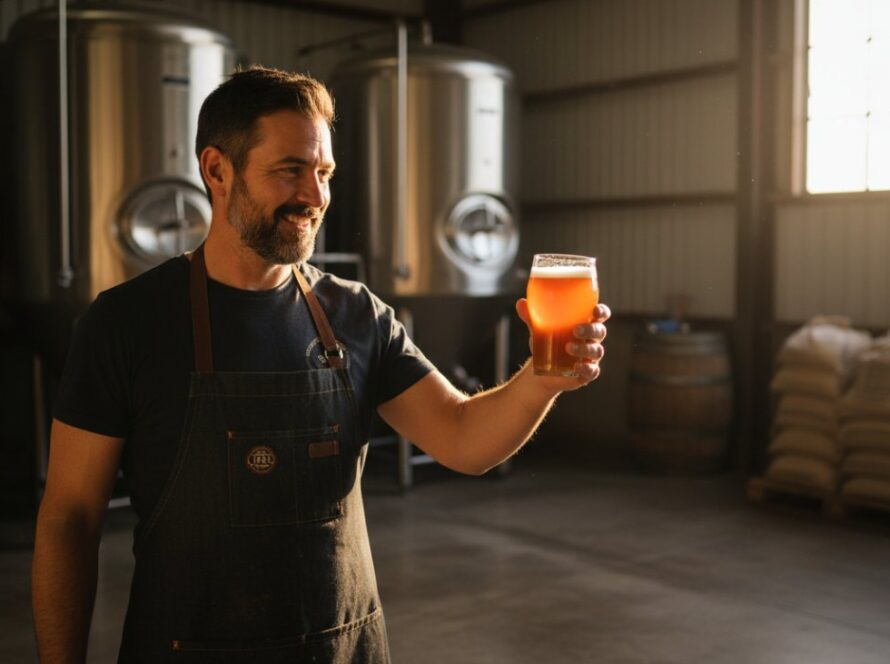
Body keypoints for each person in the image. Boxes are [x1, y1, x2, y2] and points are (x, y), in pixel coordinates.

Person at [31, 66, 609, 663]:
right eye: (290, 170)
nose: (314, 196)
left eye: (324, 172)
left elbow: (463, 439)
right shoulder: (126, 323)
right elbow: (70, 519)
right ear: (217, 170)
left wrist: (540, 382)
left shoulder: (356, 314)